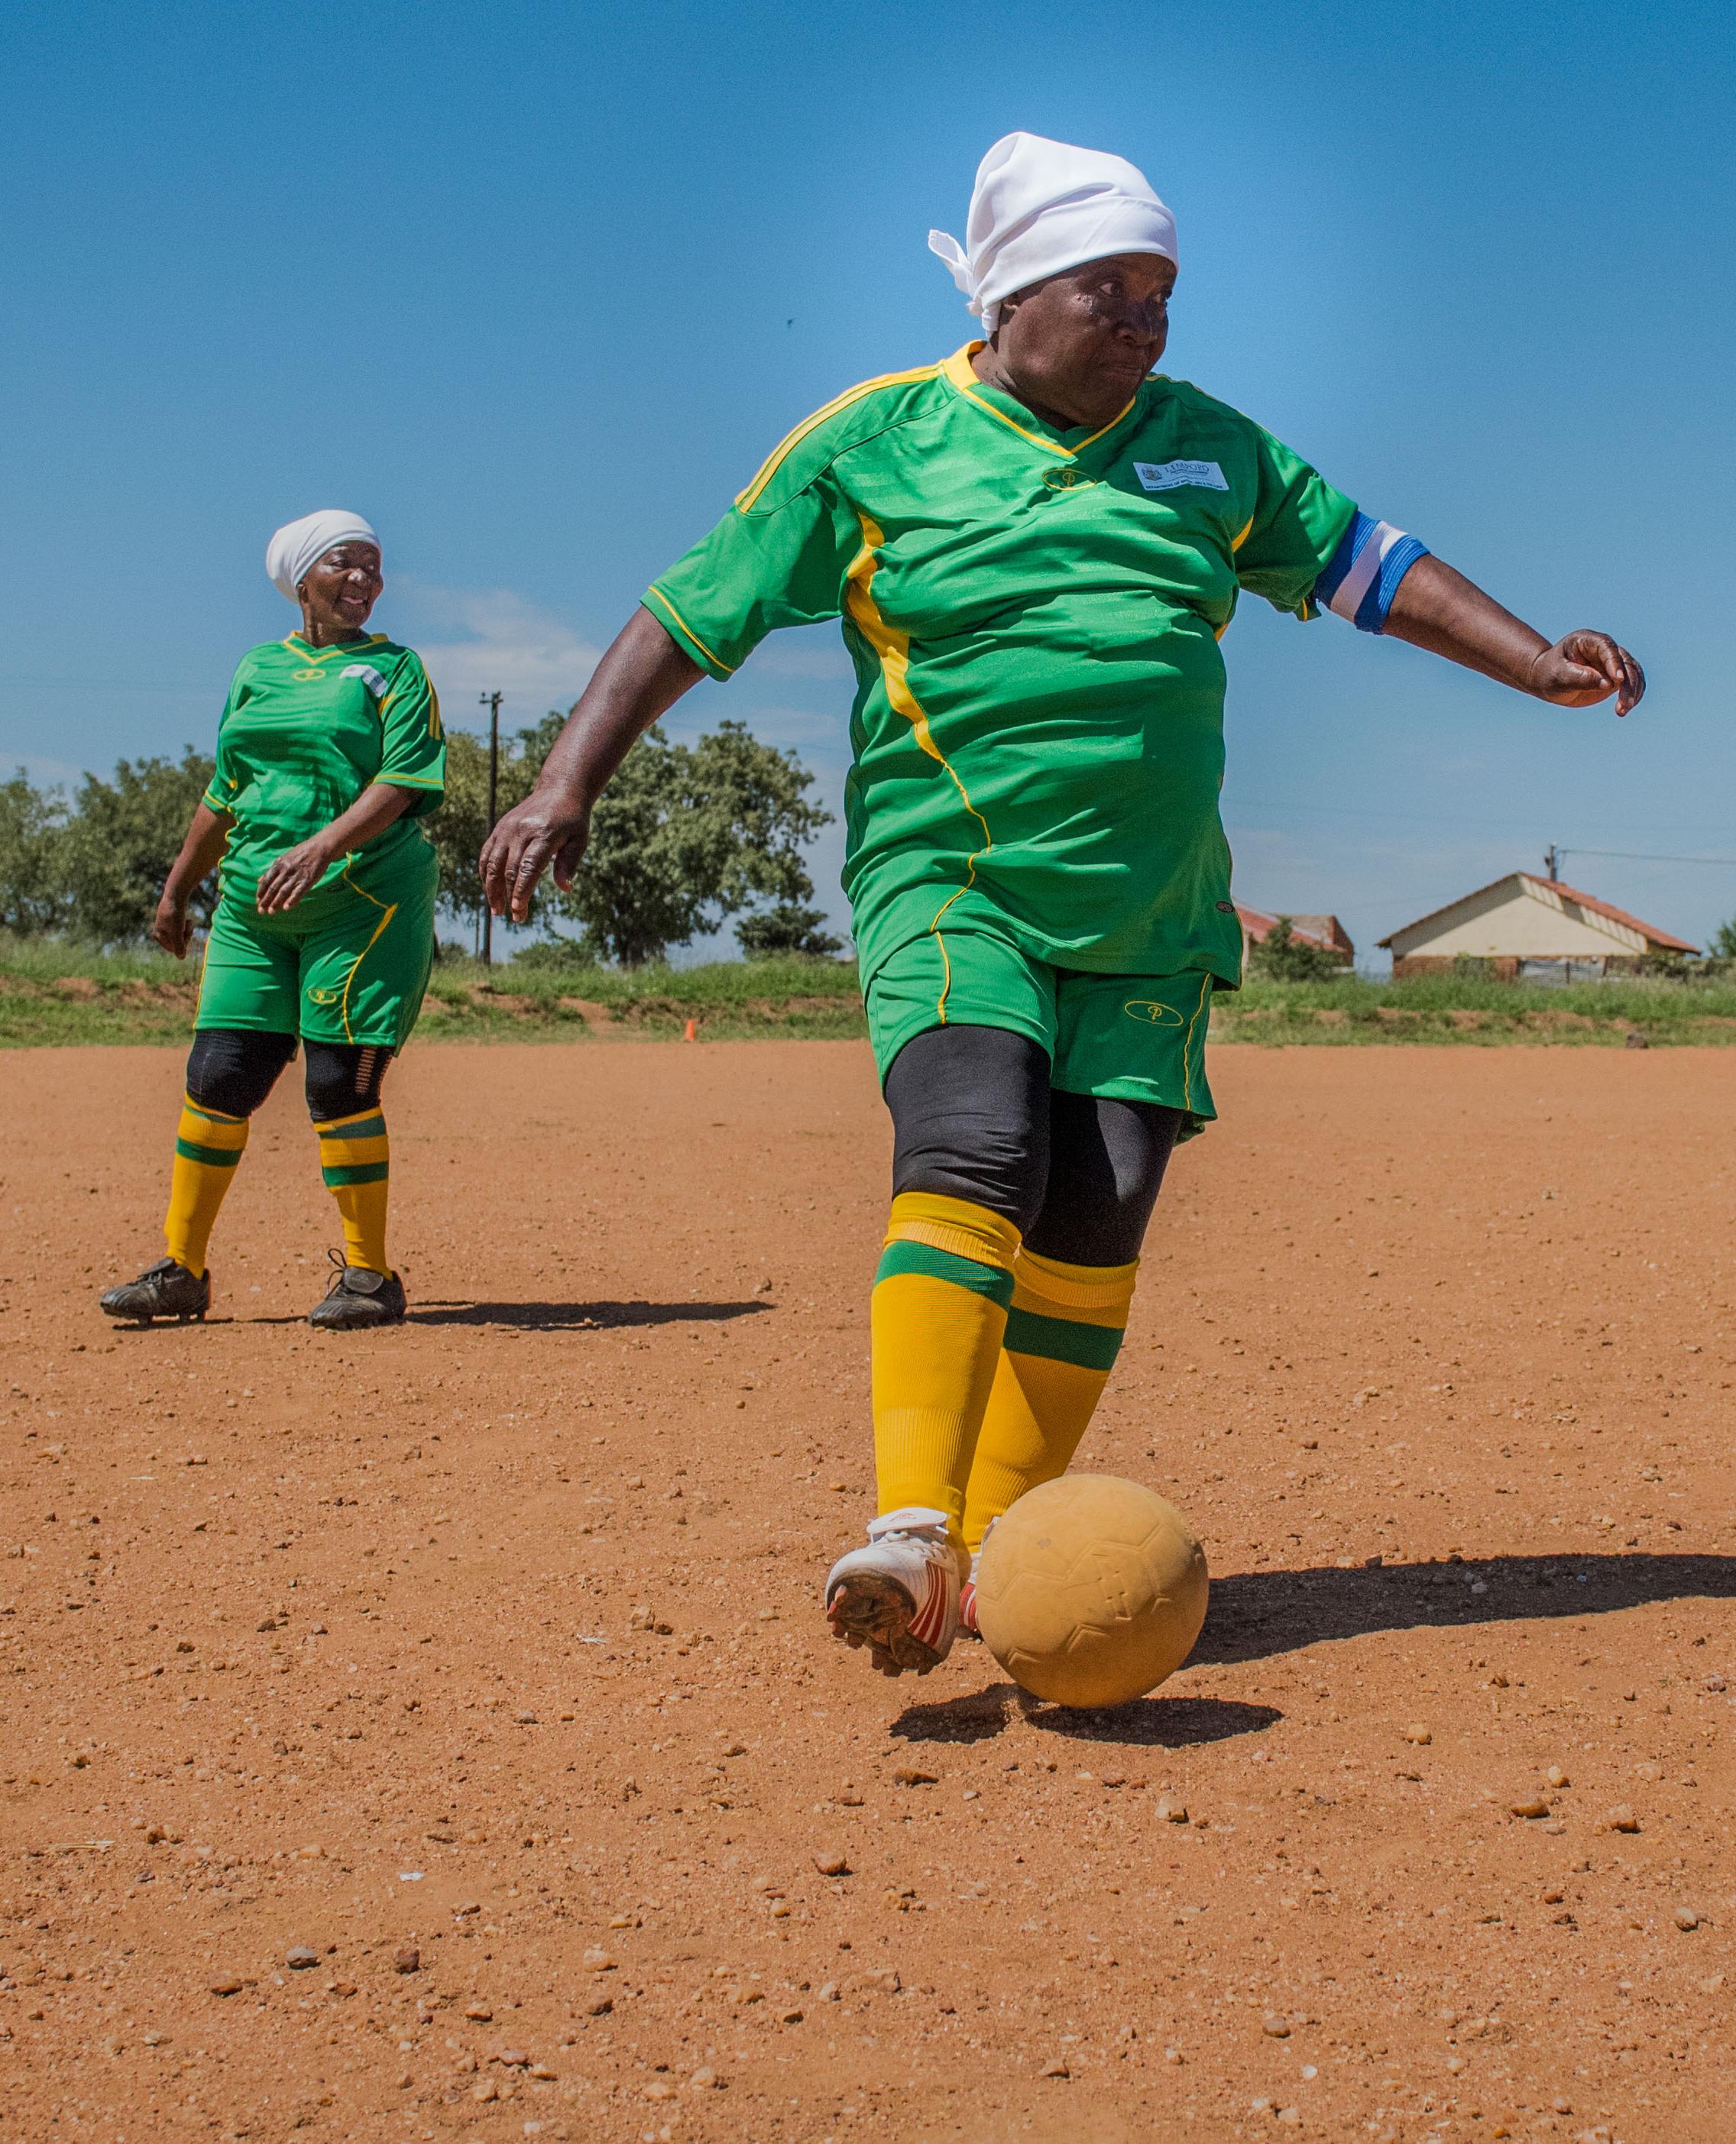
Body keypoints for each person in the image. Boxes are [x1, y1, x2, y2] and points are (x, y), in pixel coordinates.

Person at [479, 131, 1645, 1676]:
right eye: (1110, 288)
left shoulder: (1209, 448)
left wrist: (1533, 659)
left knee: (1094, 1213)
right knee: (970, 1139)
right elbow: (690, 609)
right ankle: (909, 1519)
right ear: (1013, 290)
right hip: (953, 879)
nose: (1144, 319)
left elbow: (1366, 562)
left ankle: (992, 1549)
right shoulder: (873, 440)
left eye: (1161, 292)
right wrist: (566, 778)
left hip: (1153, 916)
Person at [100, 509, 445, 1333]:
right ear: (301, 581)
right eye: (344, 563)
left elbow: (403, 780)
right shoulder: (257, 667)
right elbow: (225, 790)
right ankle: (180, 1270)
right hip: (255, 908)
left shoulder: (394, 669)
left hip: (364, 902)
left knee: (337, 1083)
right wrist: (177, 889)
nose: (363, 578)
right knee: (218, 1077)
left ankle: (370, 1277)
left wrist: (322, 847)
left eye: (373, 565)